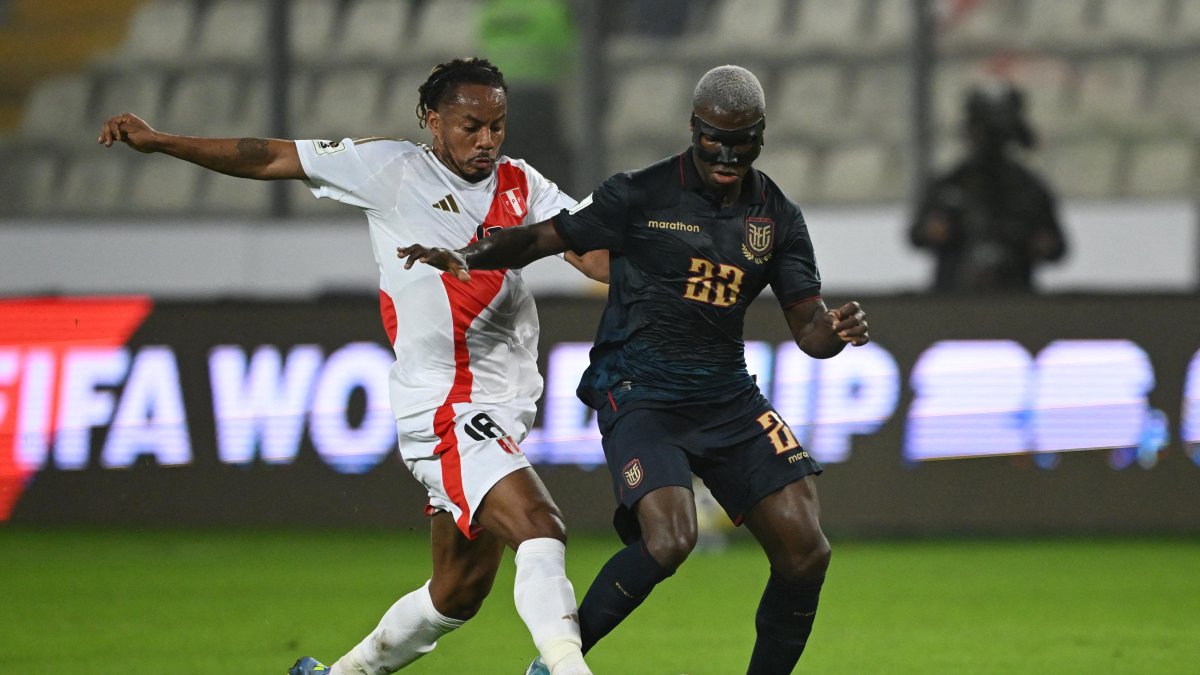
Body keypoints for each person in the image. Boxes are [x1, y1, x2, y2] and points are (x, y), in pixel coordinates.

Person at [99, 57, 606, 675]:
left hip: (502, 409)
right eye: (471, 126)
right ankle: (567, 668)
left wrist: (673, 245)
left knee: (457, 593)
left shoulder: (523, 184)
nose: (487, 140)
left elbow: (596, 256)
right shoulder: (391, 168)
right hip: (446, 406)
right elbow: (267, 156)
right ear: (433, 121)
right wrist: (163, 142)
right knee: (540, 526)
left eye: (497, 126)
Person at [398, 64, 871, 674]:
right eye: (714, 139)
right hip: (639, 390)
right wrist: (466, 253)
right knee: (672, 539)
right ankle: (556, 664)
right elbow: (543, 237)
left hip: (727, 395)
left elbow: (808, 329)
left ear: (761, 135)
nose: (727, 154)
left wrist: (833, 331)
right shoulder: (639, 193)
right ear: (694, 130)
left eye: (742, 140)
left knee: (807, 552)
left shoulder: (777, 216)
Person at [909, 80, 1067, 293]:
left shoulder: (1028, 188)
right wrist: (935, 231)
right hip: (953, 296)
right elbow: (917, 234)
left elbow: (1056, 246)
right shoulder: (950, 184)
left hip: (1015, 296)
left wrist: (1037, 242)